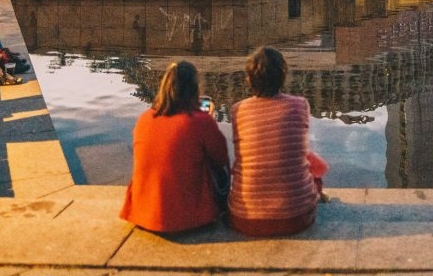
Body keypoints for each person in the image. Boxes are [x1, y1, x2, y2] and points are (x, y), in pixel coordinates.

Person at [120, 61, 230, 234]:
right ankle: (224, 207)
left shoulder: (144, 119)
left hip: (142, 215)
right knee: (219, 165)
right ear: (194, 89)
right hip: (190, 219)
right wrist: (209, 124)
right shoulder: (201, 121)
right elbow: (221, 159)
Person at [228, 46, 326, 237]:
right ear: (283, 76)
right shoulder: (300, 105)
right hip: (296, 218)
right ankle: (314, 195)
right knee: (309, 162)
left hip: (244, 219)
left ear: (249, 79)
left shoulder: (238, 110)